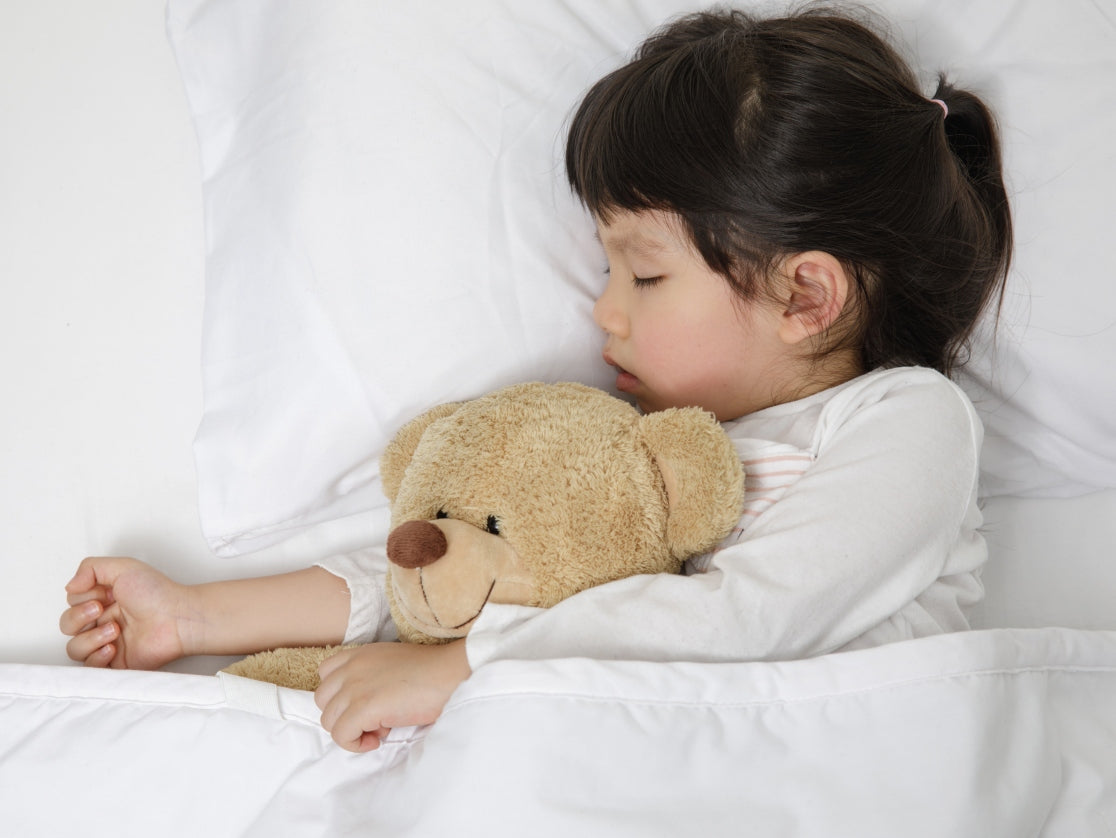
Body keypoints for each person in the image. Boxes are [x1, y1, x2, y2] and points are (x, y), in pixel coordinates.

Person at [60, 7, 1012, 753]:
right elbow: (455, 566)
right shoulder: (630, 444)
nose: (605, 310)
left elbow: (752, 620)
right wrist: (195, 615)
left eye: (643, 274)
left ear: (806, 293)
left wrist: (461, 670)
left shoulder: (906, 422)